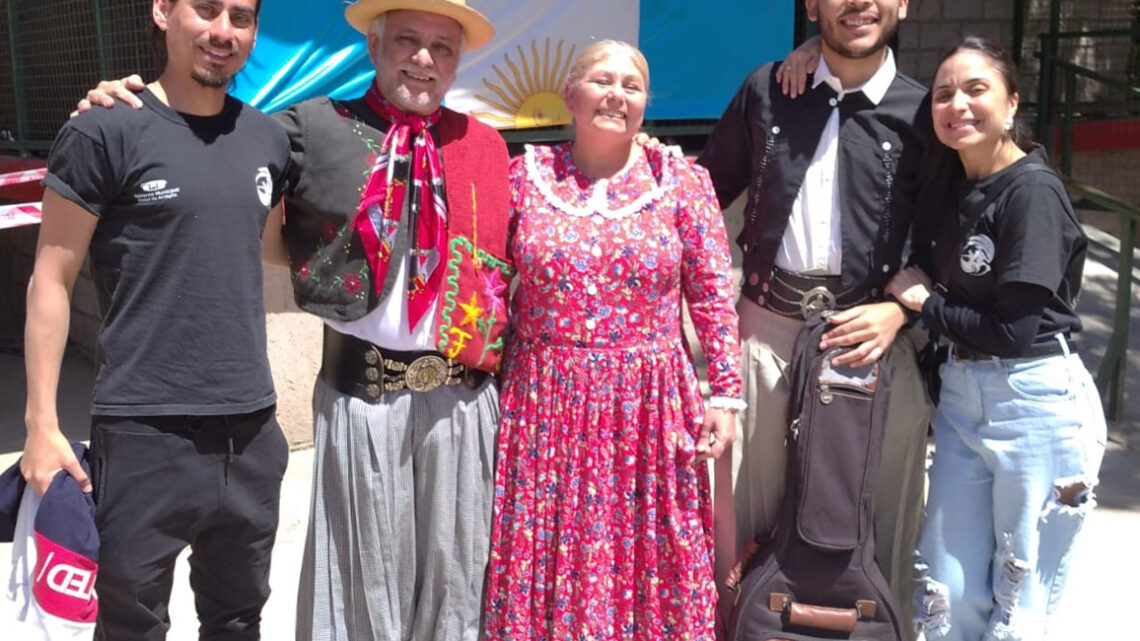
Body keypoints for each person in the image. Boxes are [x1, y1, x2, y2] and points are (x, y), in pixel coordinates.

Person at [73, 1, 511, 640]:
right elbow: (207, 137)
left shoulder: (489, 147)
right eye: (408, 41)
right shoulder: (308, 128)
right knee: (367, 582)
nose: (423, 59)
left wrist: (640, 149)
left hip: (462, 404)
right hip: (364, 397)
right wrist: (115, 96)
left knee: (458, 575)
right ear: (373, 45)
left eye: (442, 48)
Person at [22, 0, 291, 639]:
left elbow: (284, 247)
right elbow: (50, 278)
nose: (224, 31)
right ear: (163, 11)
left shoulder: (267, 139)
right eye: (205, 9)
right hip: (144, 433)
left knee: (238, 620)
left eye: (242, 16)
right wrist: (40, 425)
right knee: (131, 626)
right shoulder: (104, 130)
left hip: (251, 433)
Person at [482, 40, 743, 641]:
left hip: (648, 407)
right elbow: (489, 281)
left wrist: (725, 396)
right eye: (602, 80)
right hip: (545, 403)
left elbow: (709, 293)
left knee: (650, 550)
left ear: (646, 104)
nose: (617, 94)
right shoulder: (526, 177)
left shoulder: (680, 180)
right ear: (569, 94)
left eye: (632, 85)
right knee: (545, 548)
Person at [697, 0, 935, 631]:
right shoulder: (770, 90)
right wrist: (638, 161)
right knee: (738, 519)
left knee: (882, 519)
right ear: (811, 5)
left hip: (869, 341)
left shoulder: (926, 110)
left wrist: (900, 313)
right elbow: (700, 195)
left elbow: (958, 230)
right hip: (766, 332)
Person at [886, 36, 1106, 641]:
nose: (958, 104)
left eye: (976, 89)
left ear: (1011, 104)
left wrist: (928, 305)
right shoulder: (951, 182)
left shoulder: (1030, 192)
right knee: (944, 588)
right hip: (962, 395)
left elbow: (1016, 330)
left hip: (1035, 400)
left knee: (1021, 597)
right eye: (944, 93)